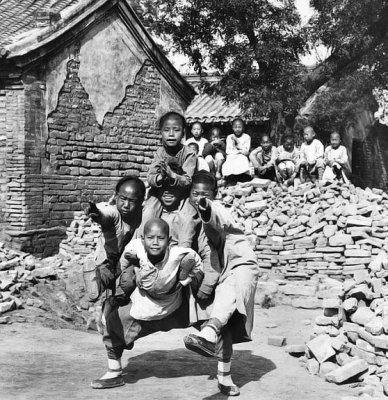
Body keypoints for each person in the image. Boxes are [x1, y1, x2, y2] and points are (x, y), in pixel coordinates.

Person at [91, 219, 204, 390]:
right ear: (143, 239)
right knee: (115, 320)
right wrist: (123, 276)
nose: (156, 243)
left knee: (207, 318)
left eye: (161, 238)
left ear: (169, 240)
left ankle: (223, 368)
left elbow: (197, 264)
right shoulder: (136, 247)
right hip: (144, 298)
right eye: (150, 238)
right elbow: (122, 263)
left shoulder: (178, 253)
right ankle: (114, 373)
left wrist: (185, 280)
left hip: (171, 300)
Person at [183, 172, 260, 396]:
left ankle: (224, 375)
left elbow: (215, 217)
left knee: (228, 295)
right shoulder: (187, 214)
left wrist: (207, 207)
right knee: (220, 311)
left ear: (214, 195)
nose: (199, 199)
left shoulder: (217, 209)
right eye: (195, 194)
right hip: (214, 271)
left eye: (204, 195)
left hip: (239, 264)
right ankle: (209, 336)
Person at [82, 176, 145, 302]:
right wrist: (97, 215)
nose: (126, 205)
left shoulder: (141, 214)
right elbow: (105, 216)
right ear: (116, 196)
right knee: (106, 274)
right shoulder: (114, 212)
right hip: (109, 258)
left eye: (132, 201)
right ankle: (96, 285)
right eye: (123, 199)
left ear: (140, 201)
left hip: (129, 260)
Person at [222, 118, 251, 184]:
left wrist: (237, 141)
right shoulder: (229, 137)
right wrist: (238, 151)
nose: (237, 129)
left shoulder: (247, 137)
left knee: (242, 159)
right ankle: (231, 178)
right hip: (232, 154)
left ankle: (242, 177)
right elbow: (228, 151)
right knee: (230, 159)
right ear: (232, 128)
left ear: (243, 128)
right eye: (235, 127)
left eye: (239, 127)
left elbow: (246, 150)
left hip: (242, 155)